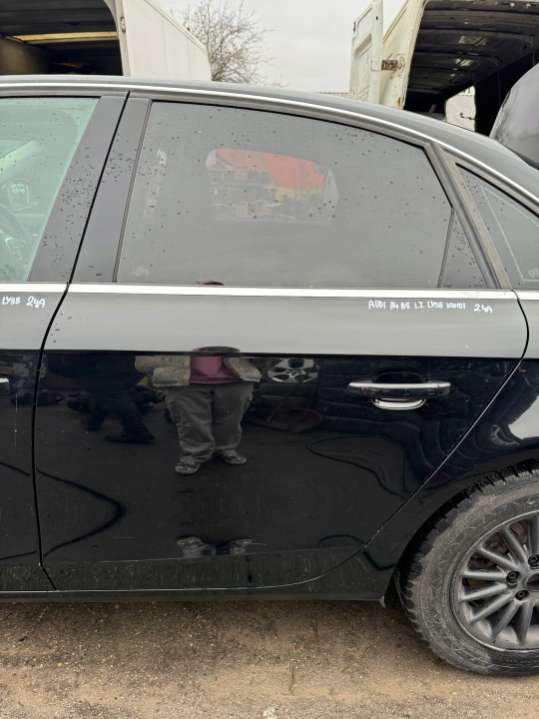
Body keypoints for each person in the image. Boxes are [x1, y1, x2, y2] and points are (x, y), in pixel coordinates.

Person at [136, 352, 260, 475]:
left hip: (237, 377)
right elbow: (143, 359)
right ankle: (194, 454)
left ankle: (225, 448)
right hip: (181, 379)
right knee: (190, 423)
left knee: (231, 420)